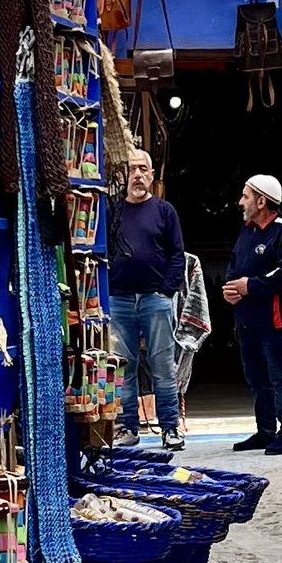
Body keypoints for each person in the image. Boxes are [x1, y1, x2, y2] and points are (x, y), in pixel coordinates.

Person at [109, 150, 186, 450]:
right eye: (132, 170)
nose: (137, 175)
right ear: (124, 176)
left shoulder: (165, 212)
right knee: (123, 367)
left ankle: (170, 428)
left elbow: (177, 255)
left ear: (152, 175)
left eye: (143, 169)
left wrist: (166, 291)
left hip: (156, 299)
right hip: (119, 300)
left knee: (163, 366)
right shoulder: (112, 212)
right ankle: (128, 426)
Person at [222, 172, 282, 454]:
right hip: (247, 321)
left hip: (274, 320)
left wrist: (249, 287)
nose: (240, 202)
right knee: (257, 380)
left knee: (281, 378)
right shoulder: (247, 230)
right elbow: (234, 265)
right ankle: (265, 432)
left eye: (245, 196)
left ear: (261, 201)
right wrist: (231, 288)